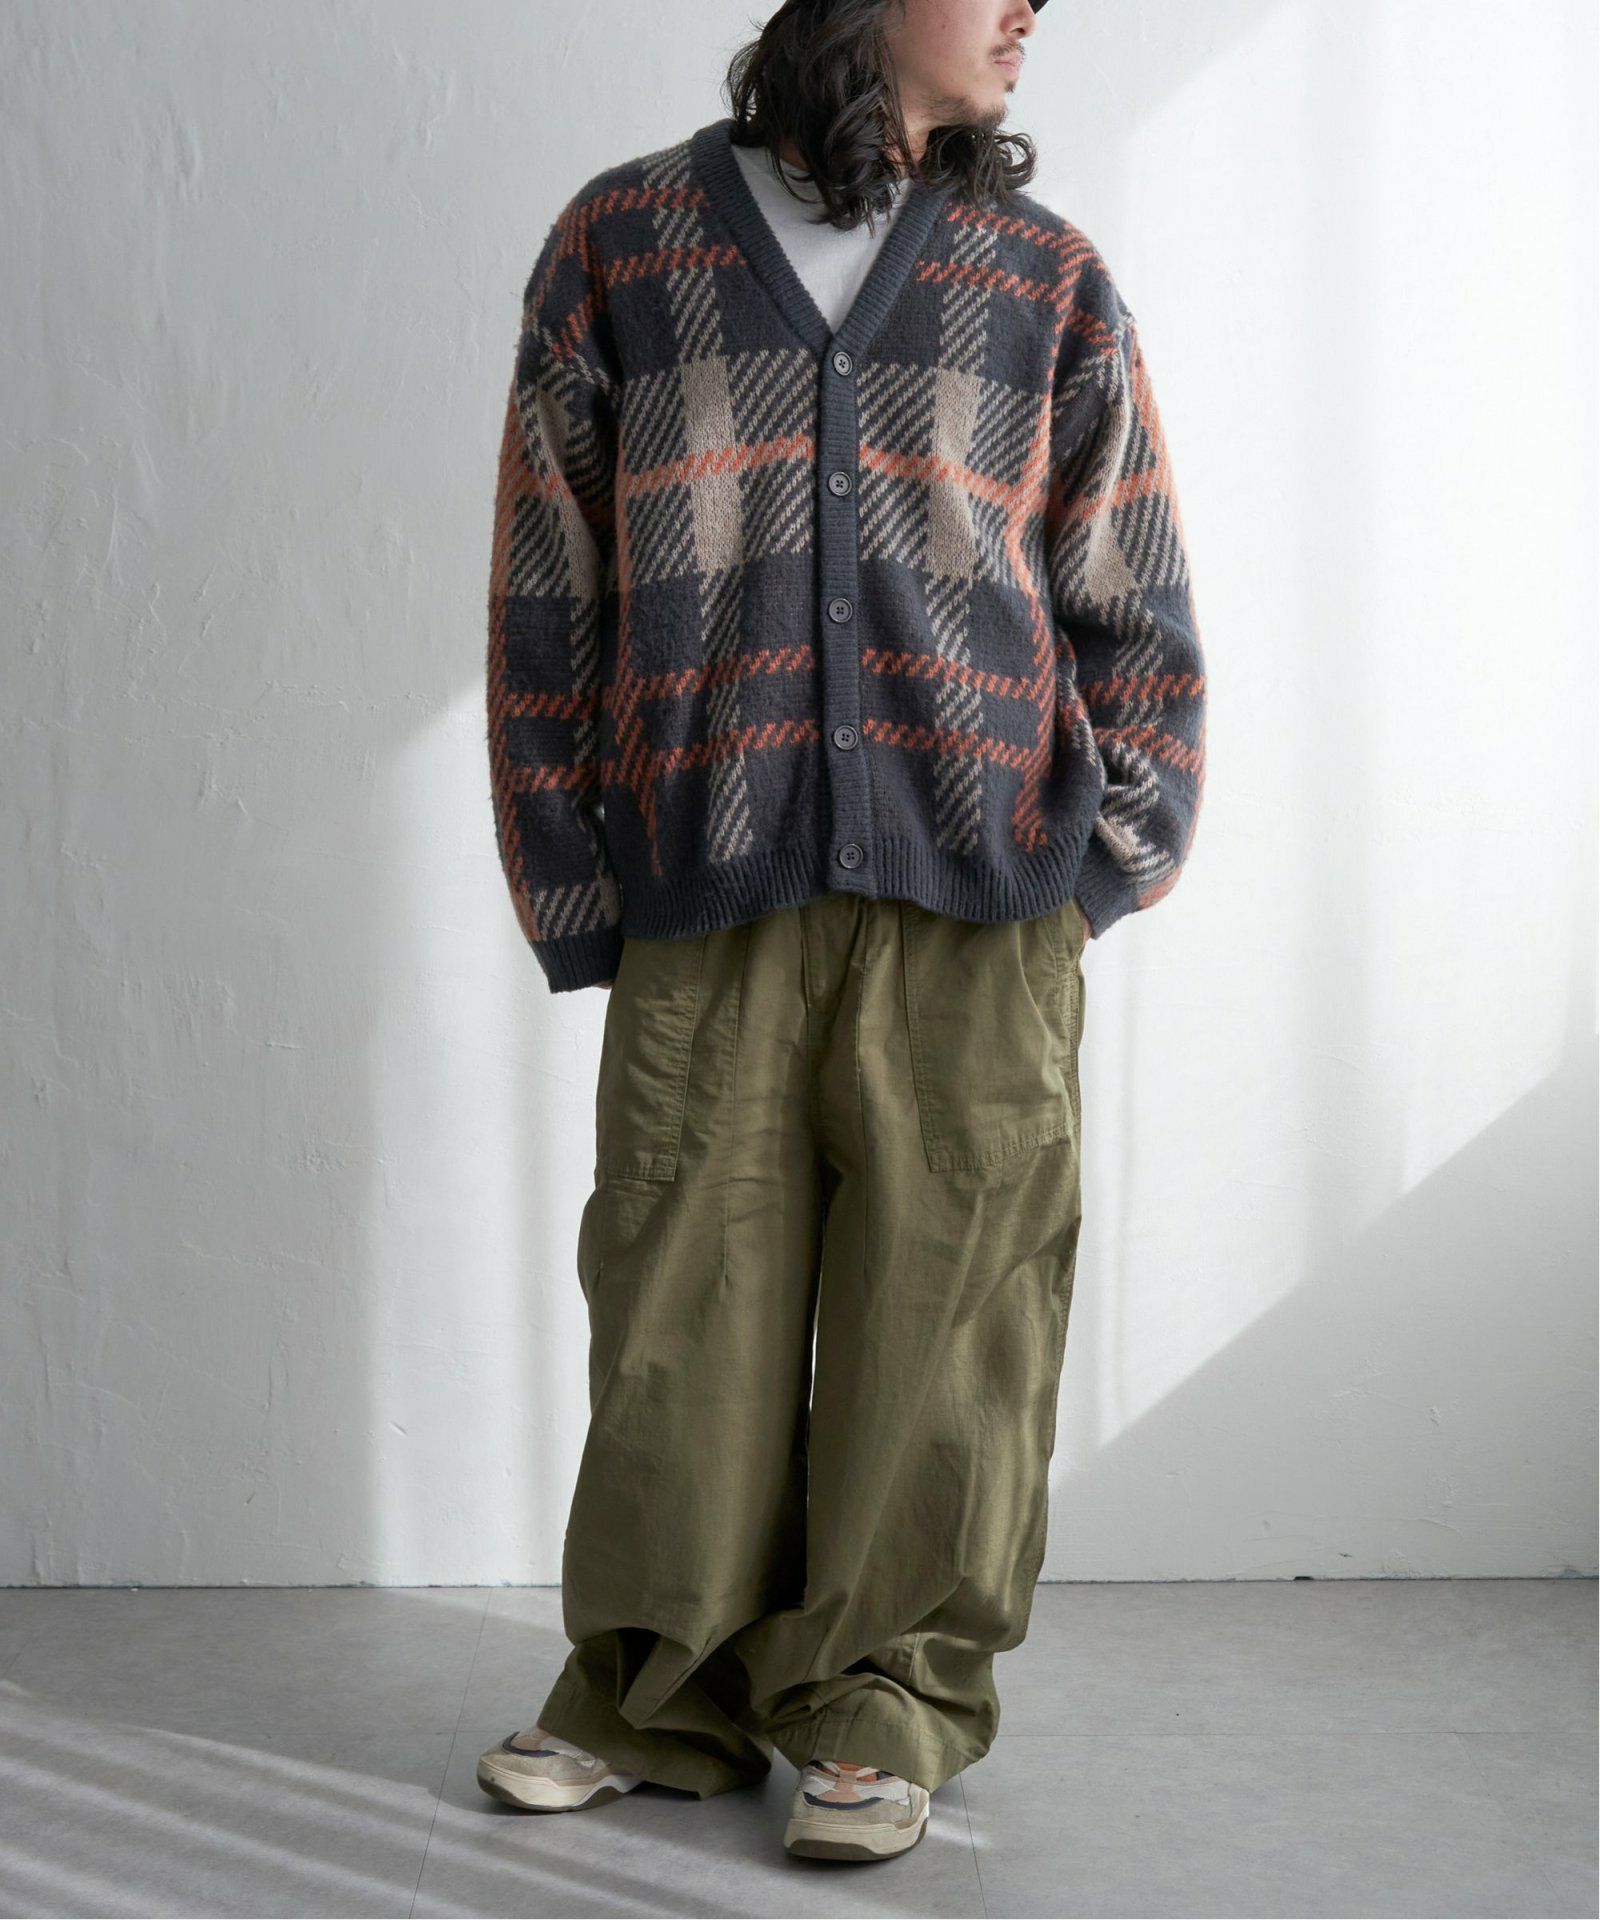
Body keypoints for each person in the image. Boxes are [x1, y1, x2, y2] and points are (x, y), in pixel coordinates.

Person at [478, 0, 1205, 1864]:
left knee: (951, 1325)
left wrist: (1101, 865)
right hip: (707, 882)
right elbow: (549, 588)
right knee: (679, 1308)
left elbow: (1131, 596)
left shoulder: (1044, 279)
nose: (1031, 8)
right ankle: (652, 1691)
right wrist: (576, 882)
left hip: (978, 899)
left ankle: (885, 1701)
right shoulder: (626, 245)